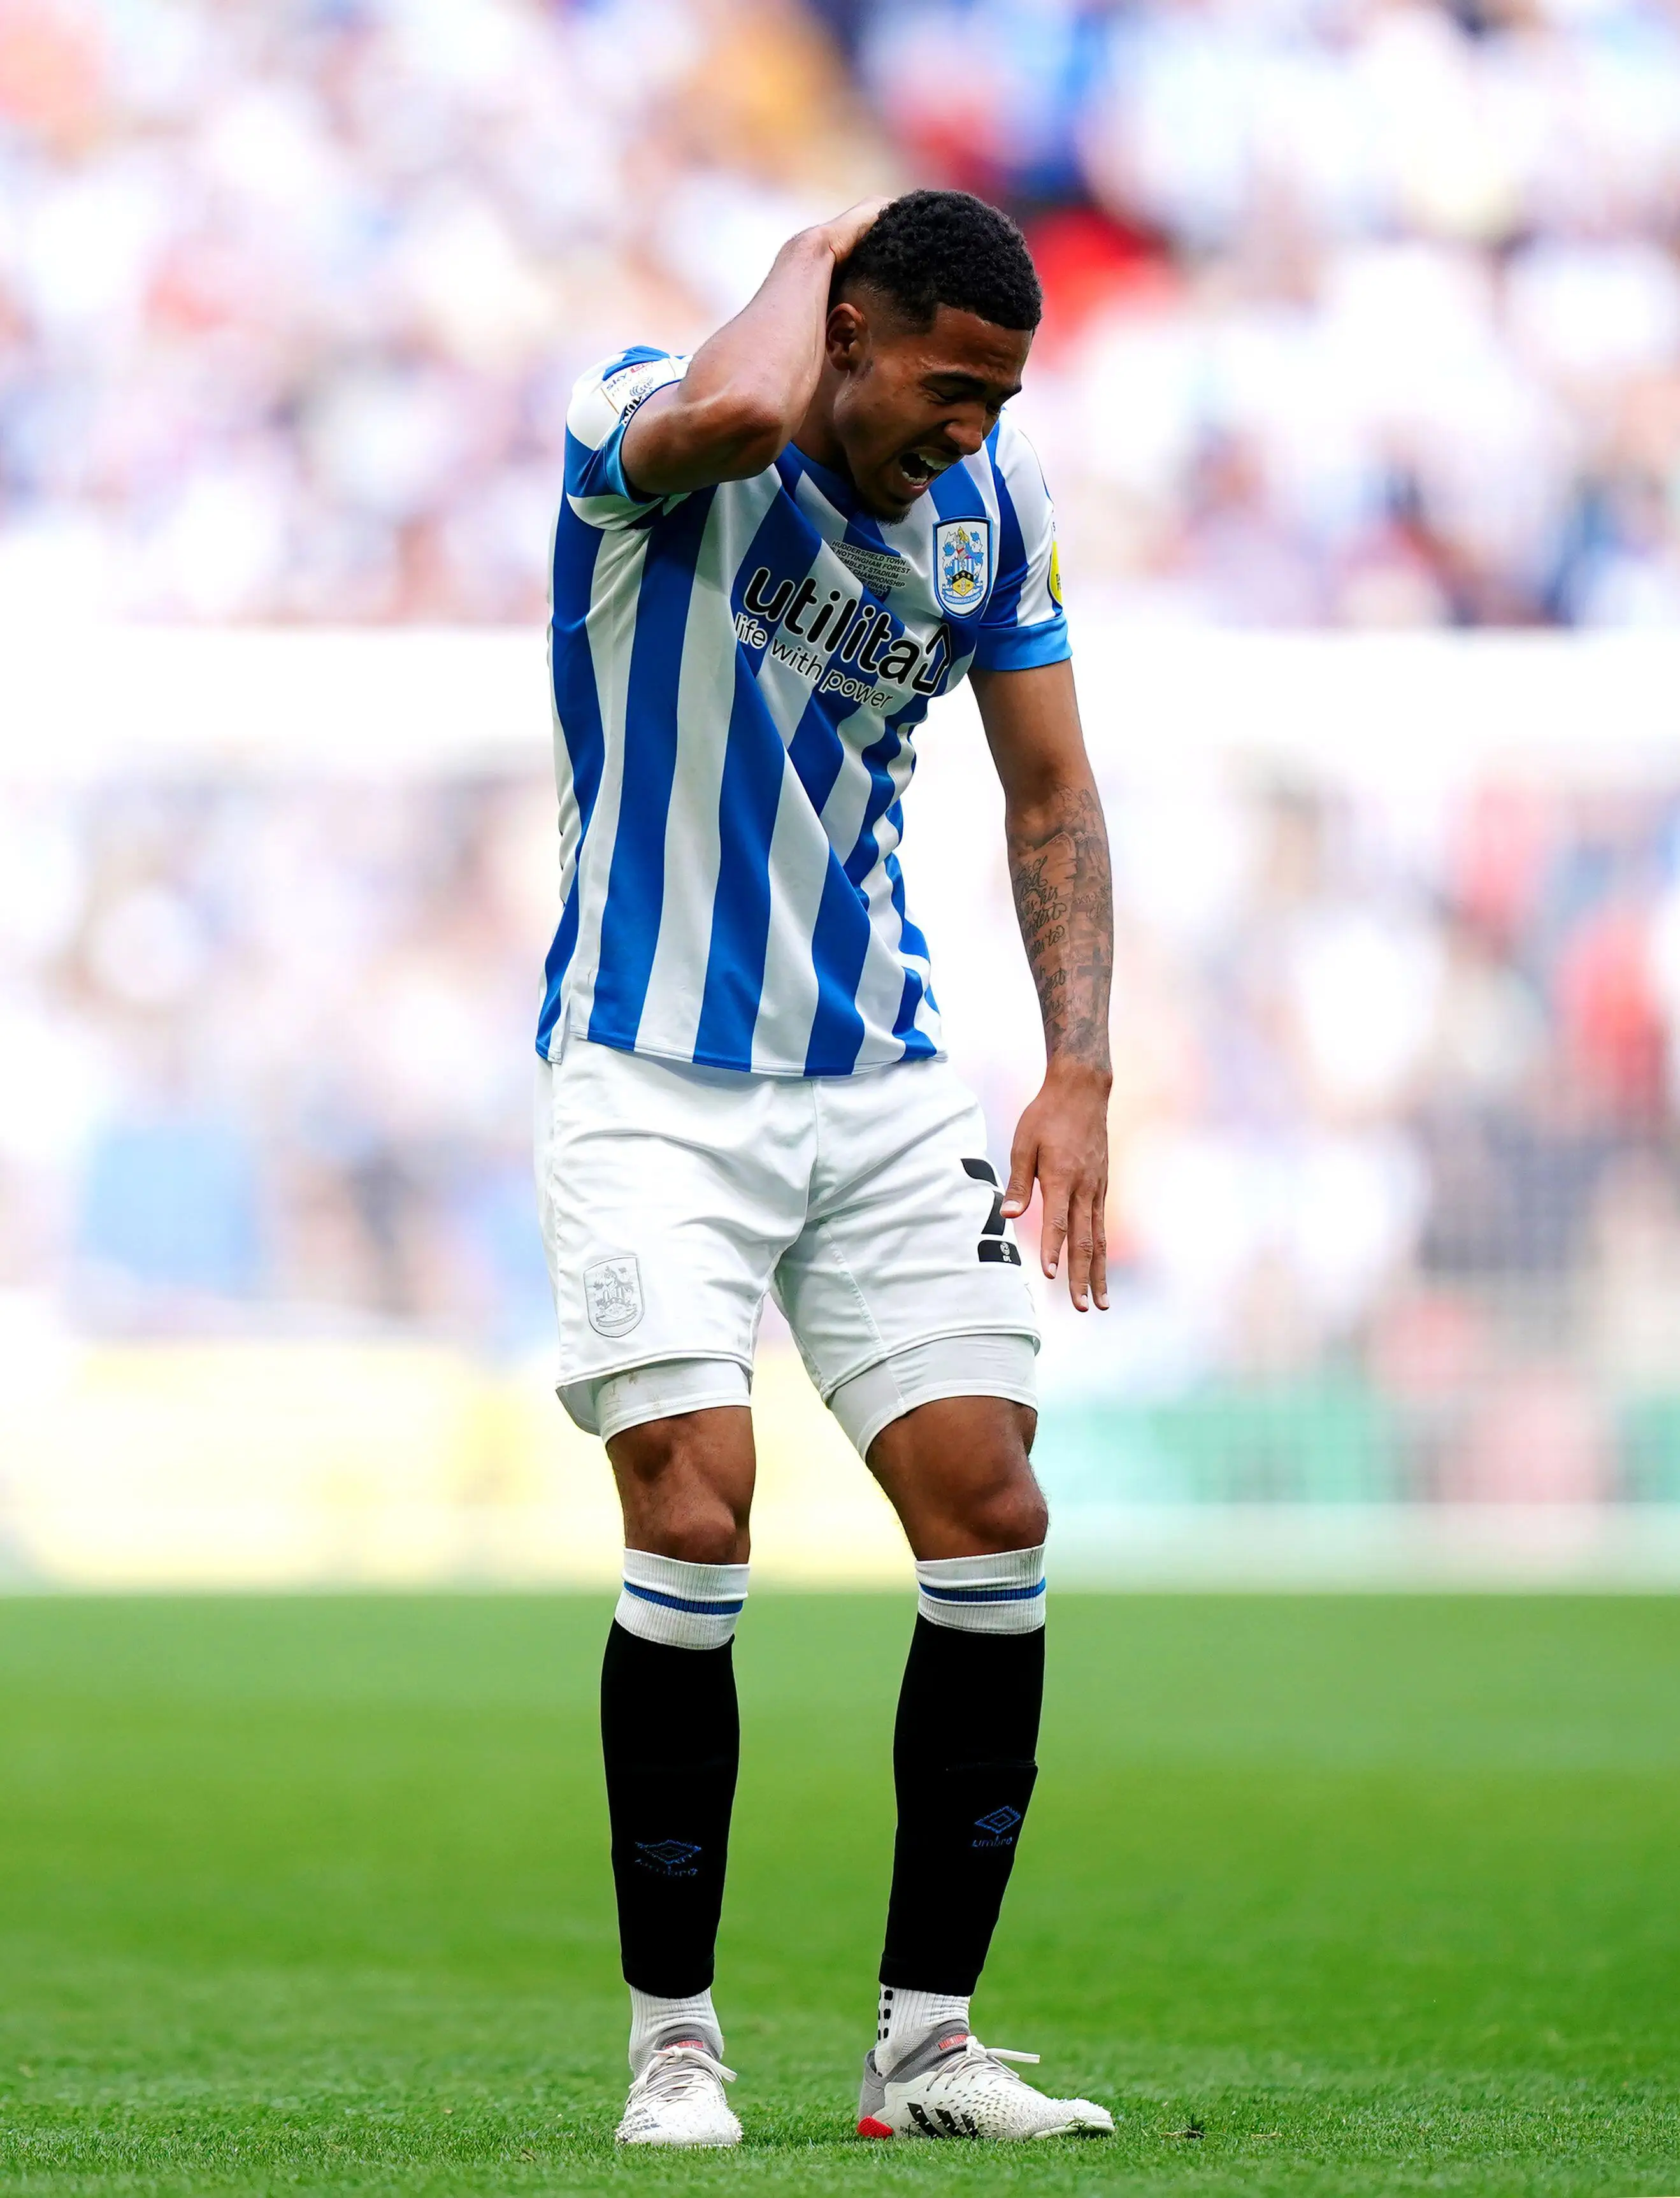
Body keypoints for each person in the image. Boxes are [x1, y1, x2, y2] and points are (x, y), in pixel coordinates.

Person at [534, 189, 1115, 2147]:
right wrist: (802, 255)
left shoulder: (992, 508)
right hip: (646, 1075)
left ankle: (927, 2044)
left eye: (1000, 395)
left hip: (877, 1079)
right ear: (848, 325)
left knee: (992, 1505)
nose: (973, 425)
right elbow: (734, 421)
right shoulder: (651, 418)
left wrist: (1080, 1067)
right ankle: (673, 2040)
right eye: (947, 382)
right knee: (694, 1519)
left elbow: (1048, 785)